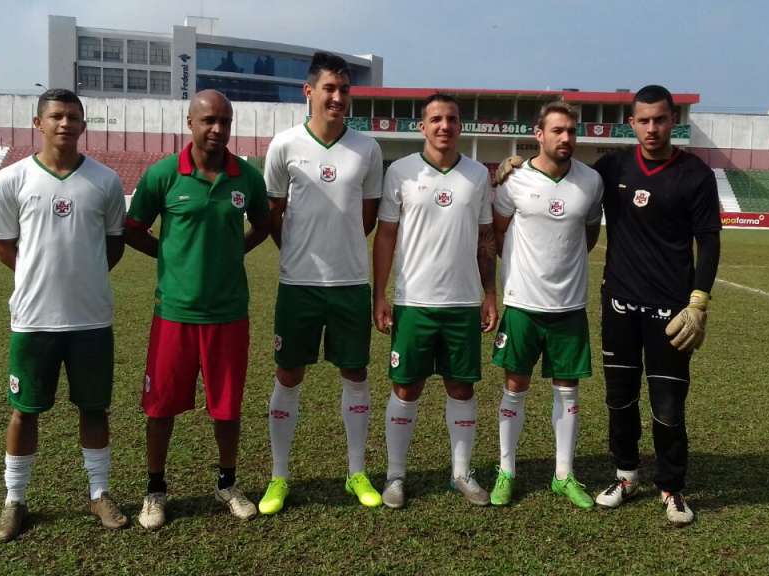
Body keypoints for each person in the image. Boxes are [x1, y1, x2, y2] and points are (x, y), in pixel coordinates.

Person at [497, 85, 720, 525]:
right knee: (619, 400)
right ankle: (625, 474)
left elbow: (709, 239)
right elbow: (548, 182)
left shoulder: (694, 173)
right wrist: (513, 163)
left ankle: (672, 487)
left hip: (671, 310)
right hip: (617, 303)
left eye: (659, 119)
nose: (652, 128)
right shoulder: (612, 168)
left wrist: (699, 301)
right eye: (643, 120)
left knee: (668, 403)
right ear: (631, 123)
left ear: (672, 120)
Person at [125, 89, 270, 531]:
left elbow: (263, 226)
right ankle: (155, 491)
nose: (218, 129)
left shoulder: (246, 177)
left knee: (227, 408)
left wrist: (231, 252)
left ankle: (227, 483)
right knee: (160, 407)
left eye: (225, 121)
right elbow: (133, 228)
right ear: (189, 122)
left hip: (229, 315)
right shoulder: (164, 174)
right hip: (174, 314)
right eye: (209, 120)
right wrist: (170, 255)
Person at [0, 89, 128, 542]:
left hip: (91, 320)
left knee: (94, 409)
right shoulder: (12, 179)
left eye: (73, 117)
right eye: (56, 116)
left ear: (84, 125)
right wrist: (39, 277)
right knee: (24, 412)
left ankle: (100, 493)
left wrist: (80, 276)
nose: (65, 123)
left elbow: (113, 246)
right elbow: (4, 246)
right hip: (32, 320)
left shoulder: (105, 181)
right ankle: (15, 500)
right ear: (38, 123)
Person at [260, 51, 384, 514]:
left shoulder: (367, 149)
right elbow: (274, 213)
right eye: (329, 88)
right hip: (298, 284)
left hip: (350, 283)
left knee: (355, 373)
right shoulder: (284, 144)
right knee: (288, 373)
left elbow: (367, 218)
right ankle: (279, 477)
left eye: (344, 89)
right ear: (308, 92)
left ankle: (356, 472)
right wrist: (295, 250)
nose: (337, 97)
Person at [373, 93, 498, 509]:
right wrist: (381, 294)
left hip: (462, 303)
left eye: (453, 119)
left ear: (460, 126)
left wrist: (489, 294)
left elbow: (485, 238)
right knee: (405, 388)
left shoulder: (478, 174)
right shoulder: (402, 173)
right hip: (414, 301)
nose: (445, 126)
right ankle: (395, 476)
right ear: (422, 127)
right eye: (437, 119)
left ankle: (461, 473)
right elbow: (386, 236)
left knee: (460, 388)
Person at [488, 102, 603, 509]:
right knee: (514, 387)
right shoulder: (514, 180)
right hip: (522, 303)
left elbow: (589, 236)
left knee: (567, 391)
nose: (566, 138)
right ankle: (506, 471)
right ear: (539, 134)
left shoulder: (591, 181)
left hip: (569, 306)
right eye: (557, 130)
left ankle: (563, 475)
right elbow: (498, 234)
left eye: (571, 131)